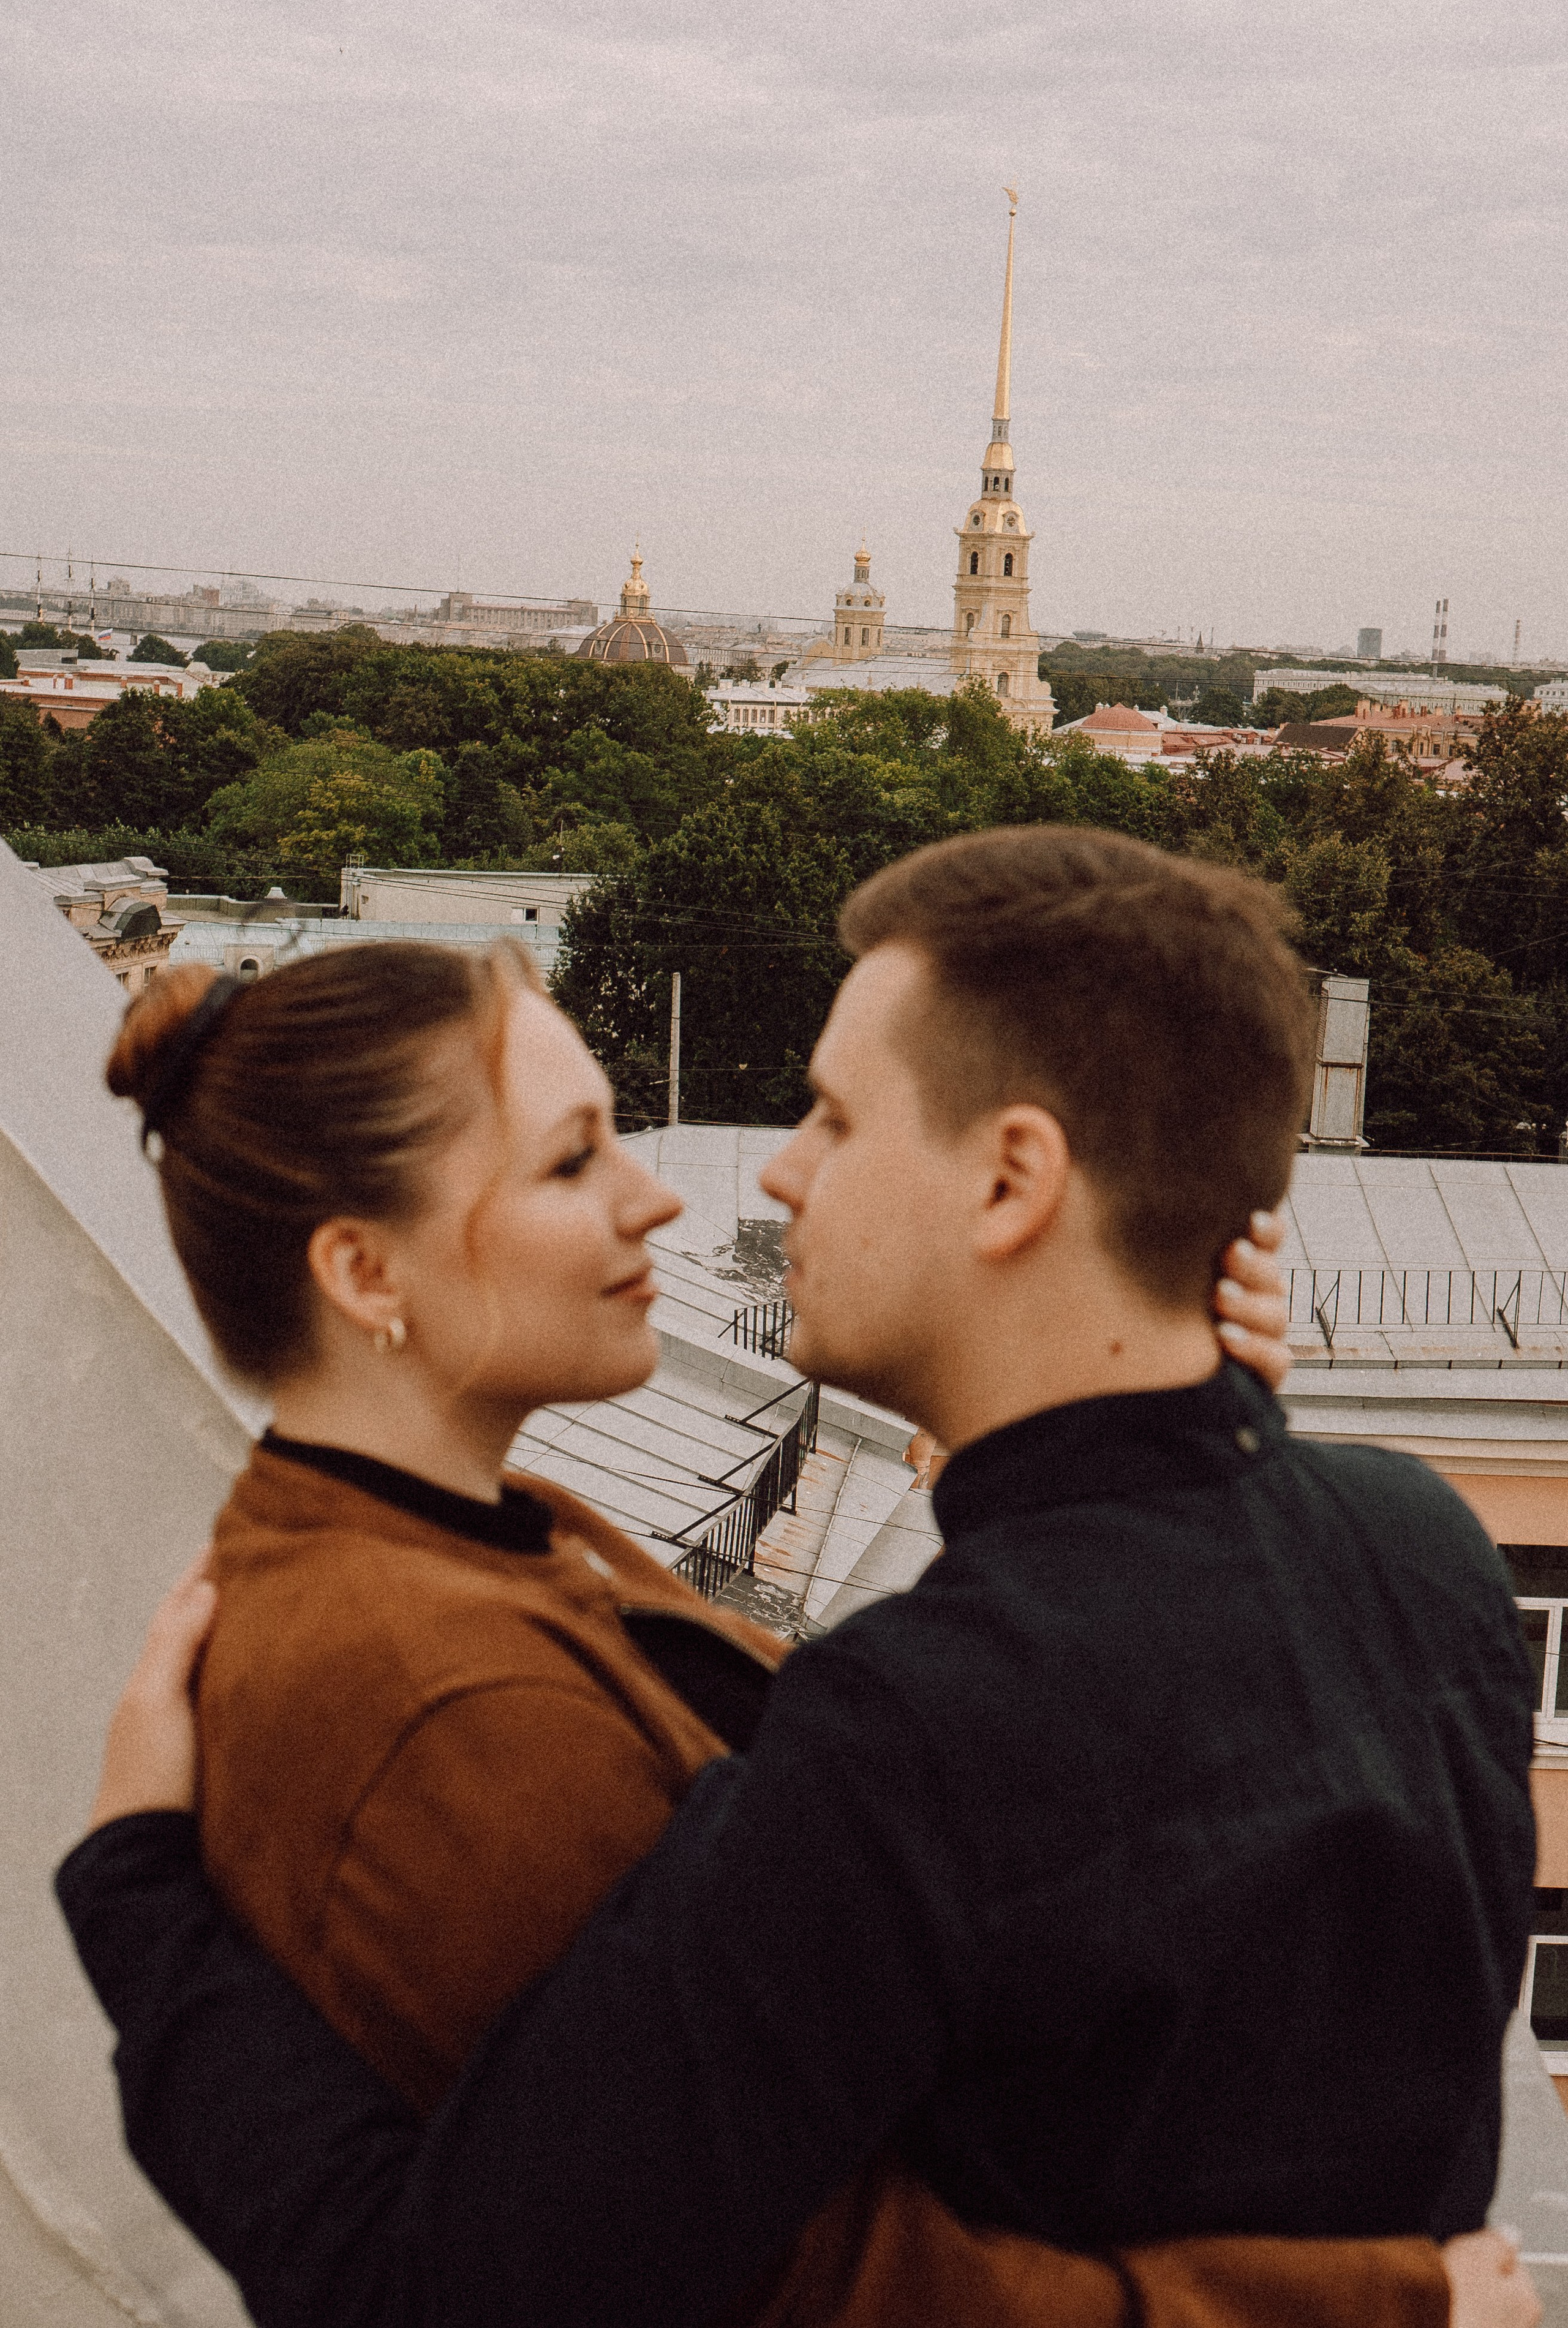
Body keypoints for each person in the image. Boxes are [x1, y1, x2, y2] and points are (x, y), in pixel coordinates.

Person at [57, 829, 1539, 2328]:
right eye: (577, 1154)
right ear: (362, 1272)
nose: (746, 1177)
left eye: (830, 1115)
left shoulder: (880, 1711)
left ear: (1015, 1178)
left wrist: (141, 1916)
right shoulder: (1417, 1542)